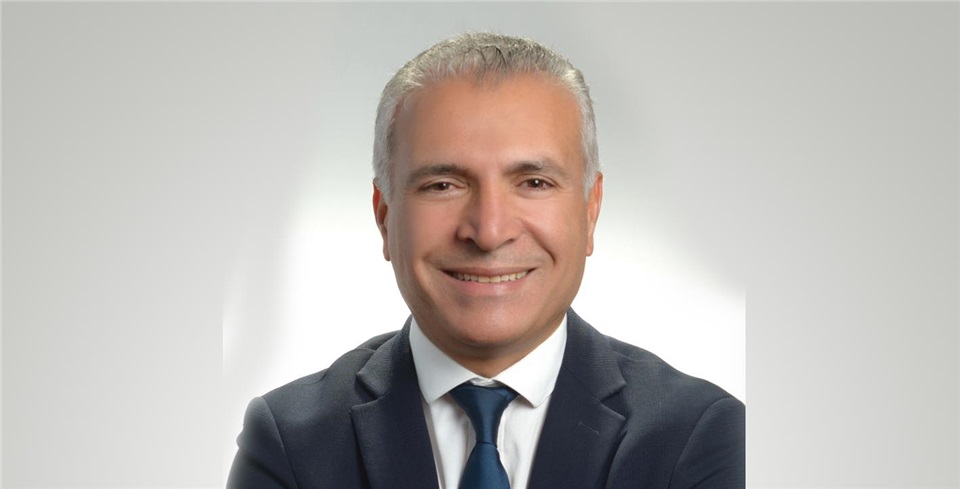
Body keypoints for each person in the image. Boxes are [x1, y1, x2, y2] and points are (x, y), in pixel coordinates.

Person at [227, 32, 744, 489]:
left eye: (534, 182)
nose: (490, 231)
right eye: (443, 185)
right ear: (384, 217)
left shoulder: (700, 438)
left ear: (591, 211)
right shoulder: (290, 444)